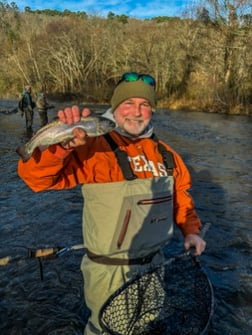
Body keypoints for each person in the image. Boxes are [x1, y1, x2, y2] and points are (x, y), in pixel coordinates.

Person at [17, 72, 206, 335]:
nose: (136, 112)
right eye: (128, 104)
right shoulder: (92, 147)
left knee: (147, 327)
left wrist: (191, 231)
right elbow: (35, 179)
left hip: (156, 267)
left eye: (144, 105)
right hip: (109, 273)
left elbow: (182, 196)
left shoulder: (167, 154)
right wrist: (62, 146)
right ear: (115, 108)